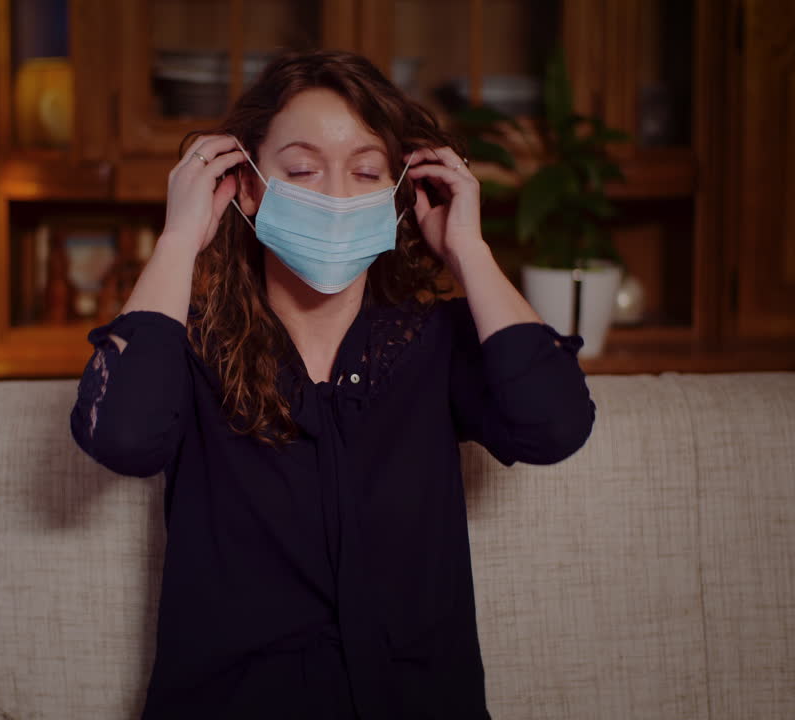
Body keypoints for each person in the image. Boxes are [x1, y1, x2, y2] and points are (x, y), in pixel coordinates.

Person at [71, 49, 595, 719]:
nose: (339, 197)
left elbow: (555, 425)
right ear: (250, 187)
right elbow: (121, 437)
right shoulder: (190, 347)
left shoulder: (433, 345)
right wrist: (179, 240)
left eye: (367, 171)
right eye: (302, 169)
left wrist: (470, 250)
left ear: (397, 192)